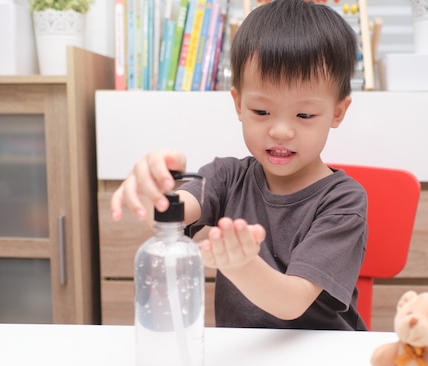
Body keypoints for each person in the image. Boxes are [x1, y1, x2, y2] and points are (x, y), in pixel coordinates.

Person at [111, 0, 368, 330]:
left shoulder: (344, 201)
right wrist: (154, 188)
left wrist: (241, 264)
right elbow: (172, 216)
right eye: (262, 111)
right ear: (239, 104)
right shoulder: (226, 176)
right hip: (242, 362)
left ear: (337, 112)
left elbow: (292, 302)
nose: (280, 131)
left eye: (304, 115)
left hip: (321, 362)